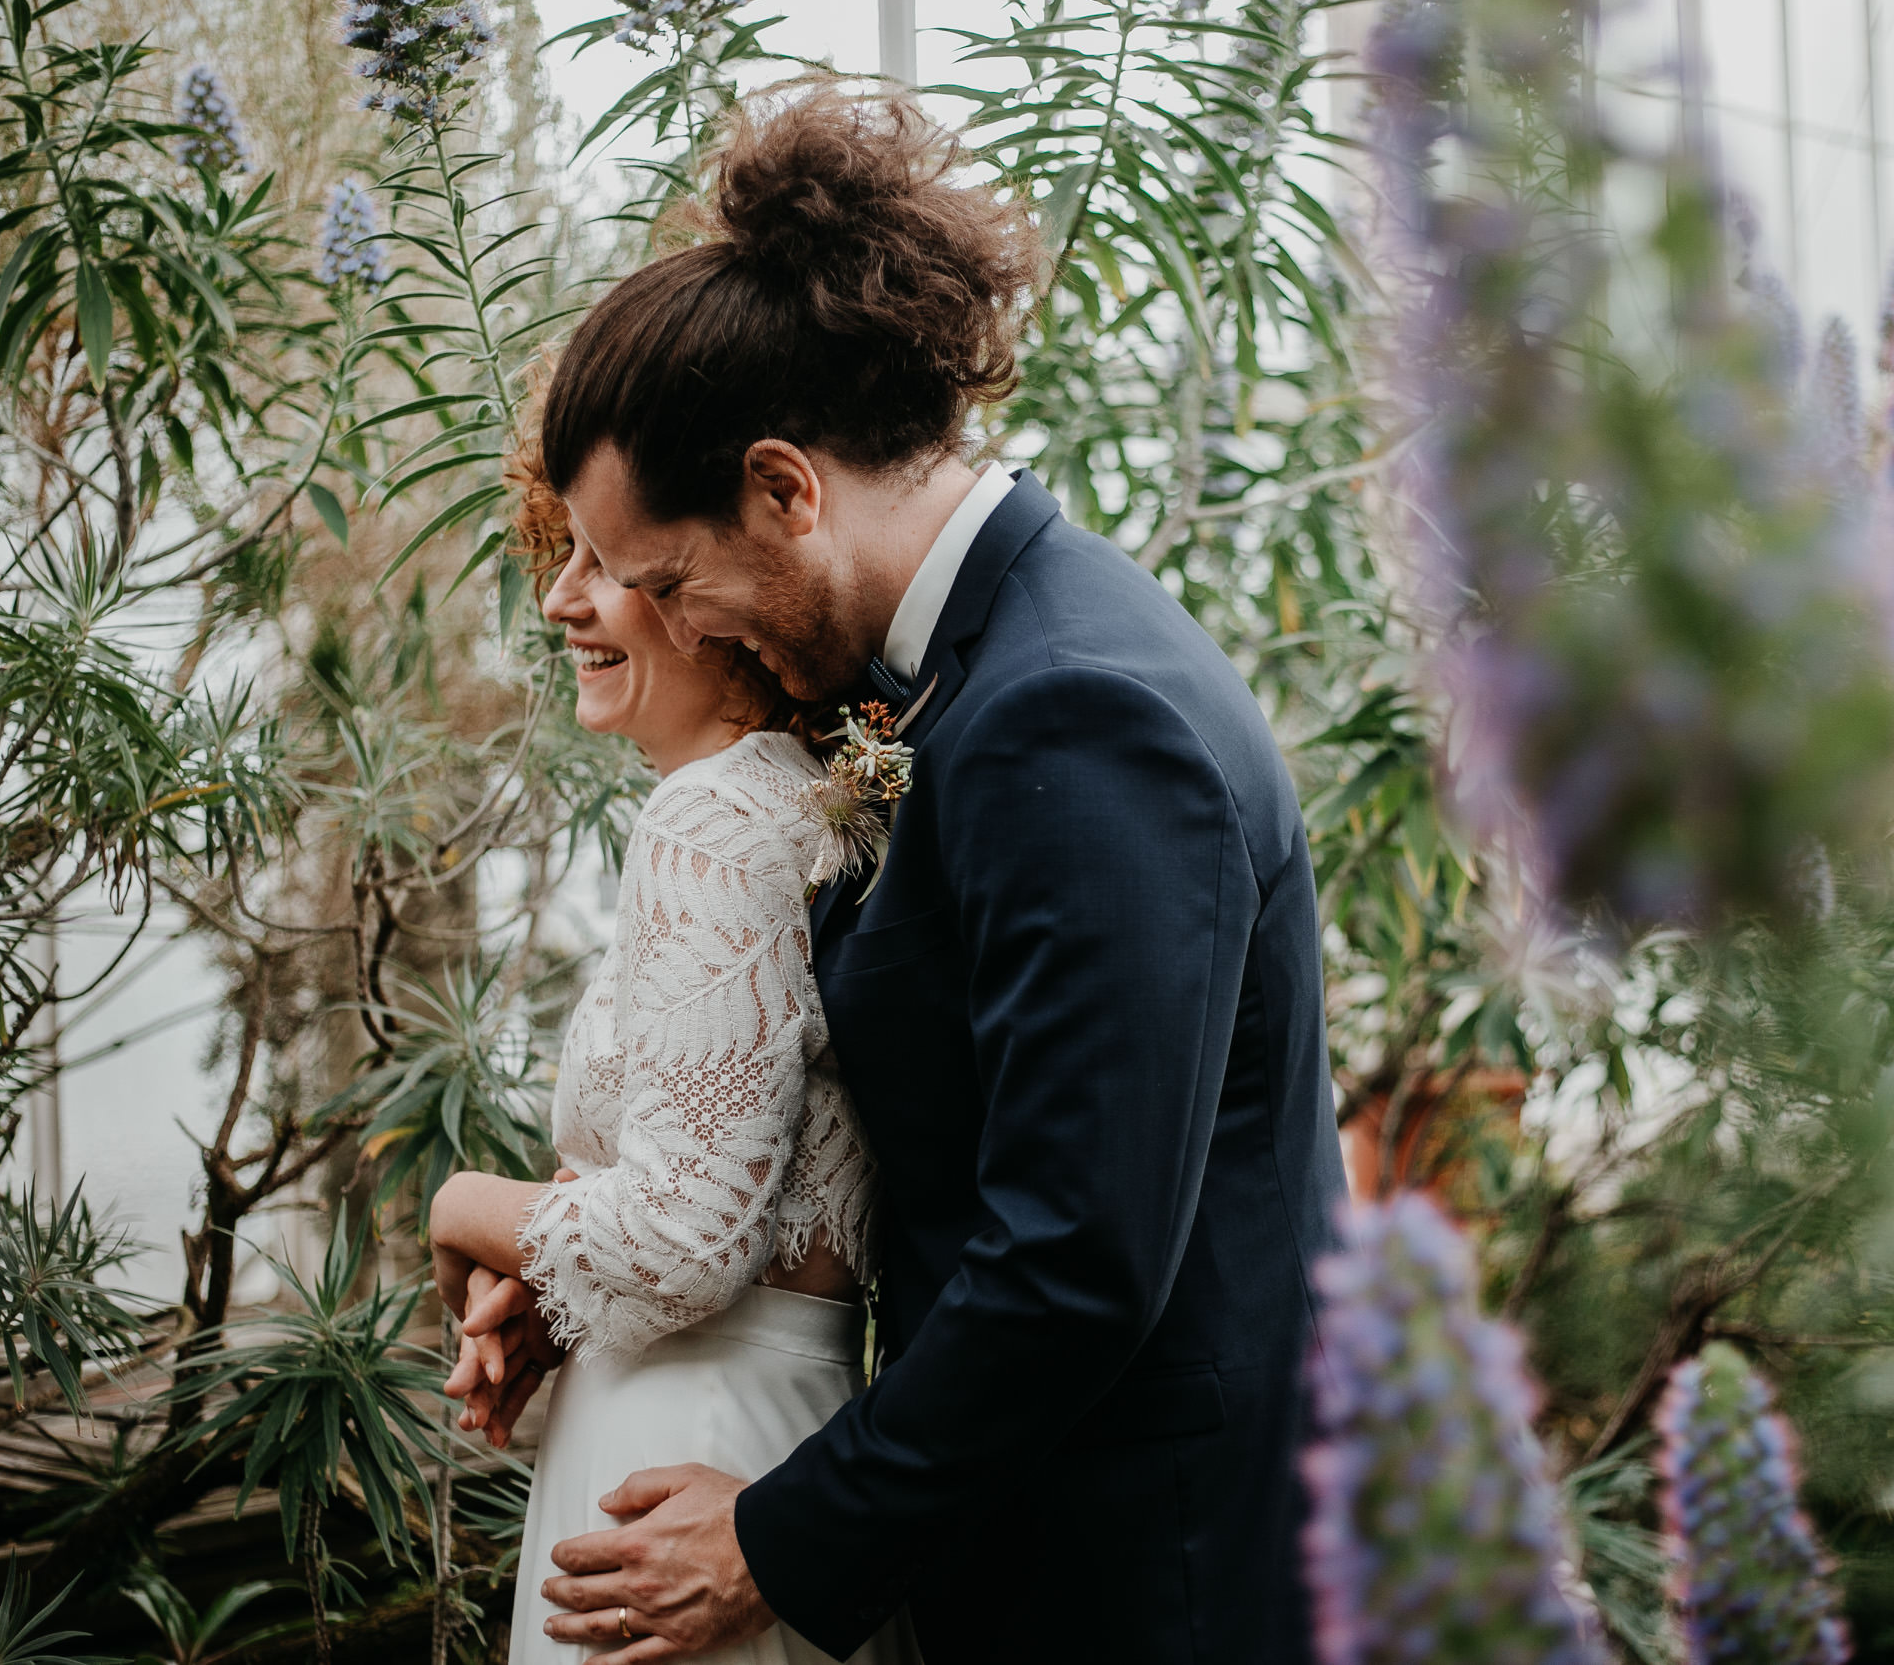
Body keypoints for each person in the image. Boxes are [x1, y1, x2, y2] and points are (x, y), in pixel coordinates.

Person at [458, 81, 1344, 1664]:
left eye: (670, 575)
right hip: (1026, 1543)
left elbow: (1072, 1257)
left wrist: (775, 1542)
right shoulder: (967, 679)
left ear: (787, 489)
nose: (679, 620)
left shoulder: (1076, 709)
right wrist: (590, 1263)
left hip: (1149, 1585)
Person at [426, 422, 910, 1665]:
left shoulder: (710, 821)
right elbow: (739, 1170)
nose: (561, 599)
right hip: (752, 1414)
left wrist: (466, 1200)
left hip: (684, 1452)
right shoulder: (803, 808)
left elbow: (684, 1241)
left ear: (717, 602)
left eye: (607, 562)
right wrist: (557, 1275)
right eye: (565, 554)